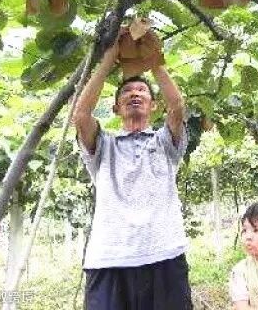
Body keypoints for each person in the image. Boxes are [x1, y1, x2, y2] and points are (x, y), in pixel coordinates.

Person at [73, 29, 192, 309]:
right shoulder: (104, 147)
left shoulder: (164, 143)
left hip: (164, 253)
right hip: (109, 258)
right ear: (116, 108)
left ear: (154, 106)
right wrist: (110, 58)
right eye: (127, 91)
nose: (135, 93)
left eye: (142, 90)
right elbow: (81, 114)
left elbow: (177, 107)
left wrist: (153, 60)